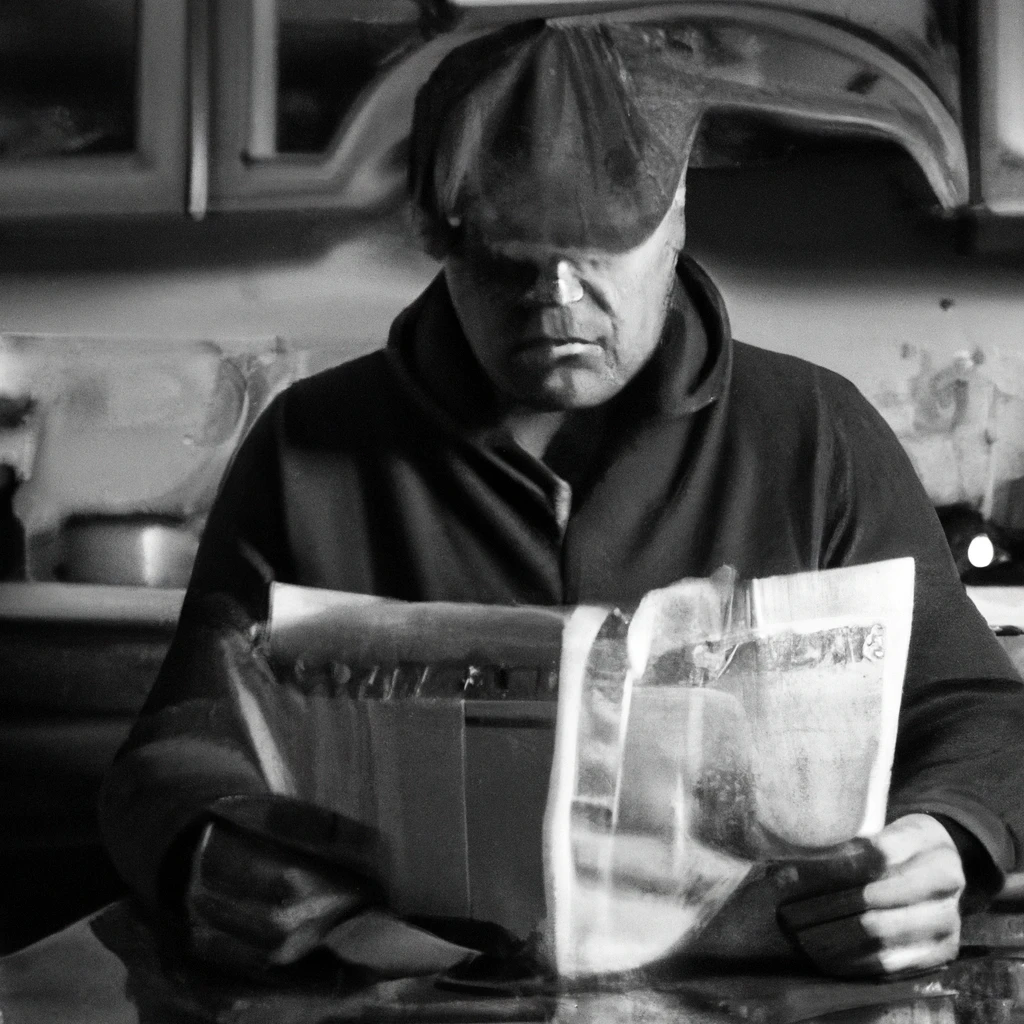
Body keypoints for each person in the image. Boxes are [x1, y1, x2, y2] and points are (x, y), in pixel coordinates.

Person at [101, 19, 1024, 982]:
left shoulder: (818, 432)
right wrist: (207, 846)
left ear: (674, 221)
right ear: (442, 243)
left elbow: (980, 711)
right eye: (507, 254)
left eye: (600, 248)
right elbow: (183, 738)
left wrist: (942, 839)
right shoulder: (308, 444)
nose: (556, 296)